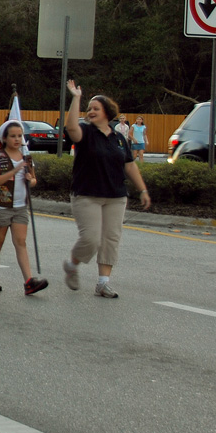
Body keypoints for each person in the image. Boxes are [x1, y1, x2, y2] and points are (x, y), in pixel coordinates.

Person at [61, 80, 151, 298]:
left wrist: (142, 190)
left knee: (111, 238)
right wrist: (76, 98)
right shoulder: (85, 132)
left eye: (96, 108)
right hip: (86, 194)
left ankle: (103, 283)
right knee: (91, 238)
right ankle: (73, 265)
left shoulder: (119, 138)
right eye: (89, 109)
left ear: (107, 113)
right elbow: (71, 127)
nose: (91, 112)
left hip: (115, 196)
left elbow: (129, 165)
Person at [0, 120, 48, 295]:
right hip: (1, 206)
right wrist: (13, 172)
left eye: (20, 136)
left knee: (20, 242)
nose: (17, 139)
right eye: (13, 136)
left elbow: (33, 180)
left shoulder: (26, 157)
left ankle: (28, 281)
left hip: (20, 206)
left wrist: (30, 179)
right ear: (4, 138)